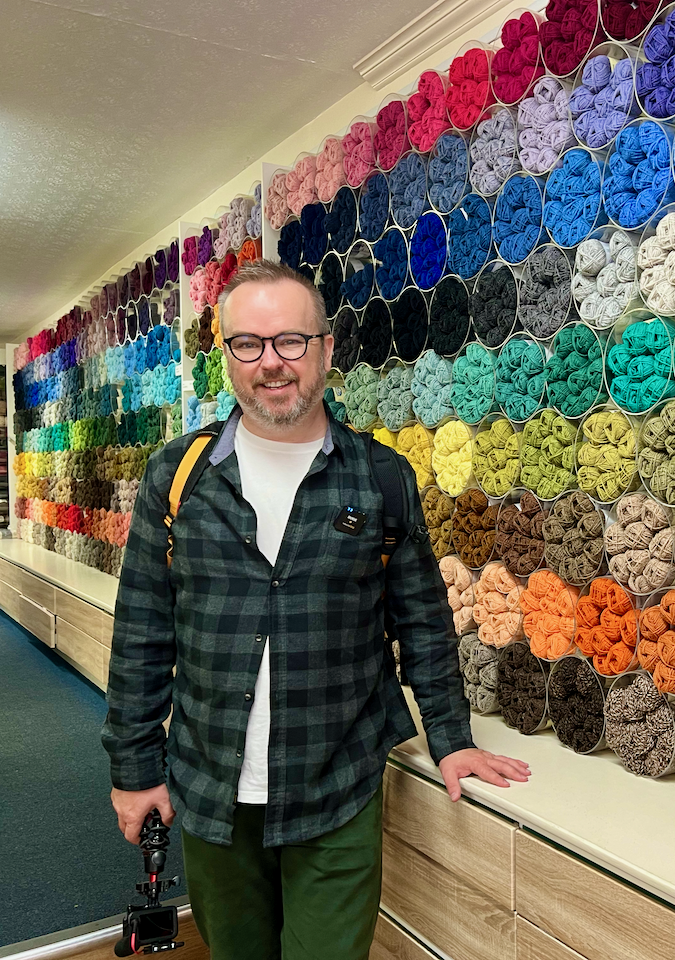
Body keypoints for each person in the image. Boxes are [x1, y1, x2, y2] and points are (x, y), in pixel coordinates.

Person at [101, 259, 529, 960]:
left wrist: (451, 739)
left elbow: (421, 620)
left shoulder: (381, 476)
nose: (271, 363)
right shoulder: (178, 477)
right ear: (227, 357)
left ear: (326, 349)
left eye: (291, 341)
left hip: (339, 787)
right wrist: (133, 769)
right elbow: (143, 634)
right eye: (249, 343)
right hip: (211, 791)